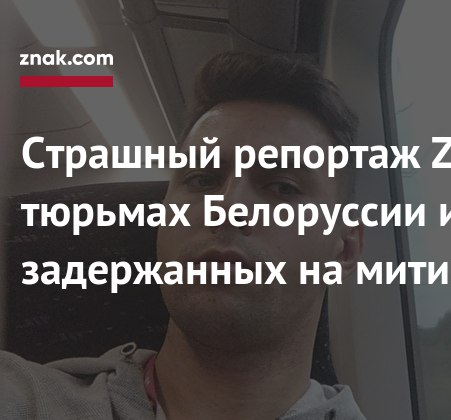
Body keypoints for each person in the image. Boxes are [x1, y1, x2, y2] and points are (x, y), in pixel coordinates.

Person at [0, 52, 367, 420]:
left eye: (283, 187)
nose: (227, 207)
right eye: (202, 180)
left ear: (345, 251)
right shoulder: (27, 398)